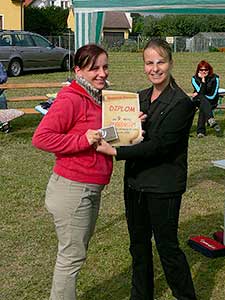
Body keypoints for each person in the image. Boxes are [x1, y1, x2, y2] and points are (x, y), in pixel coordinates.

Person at [96, 38, 197, 300]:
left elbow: (160, 146)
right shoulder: (138, 98)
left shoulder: (181, 103)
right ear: (143, 66)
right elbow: (119, 130)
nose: (155, 68)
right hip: (135, 183)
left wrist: (116, 151)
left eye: (160, 62)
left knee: (167, 248)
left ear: (171, 63)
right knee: (138, 247)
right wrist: (106, 133)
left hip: (163, 185)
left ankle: (186, 296)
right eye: (149, 62)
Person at [32, 44, 113, 300]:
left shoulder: (98, 97)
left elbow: (99, 135)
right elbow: (41, 138)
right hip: (73, 189)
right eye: (94, 68)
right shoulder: (71, 98)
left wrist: (130, 124)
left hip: (88, 187)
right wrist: (82, 140)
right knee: (71, 257)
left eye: (104, 66)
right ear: (78, 70)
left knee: (74, 253)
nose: (102, 73)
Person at [191, 60, 221, 138]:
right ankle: (211, 119)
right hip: (199, 101)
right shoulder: (194, 79)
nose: (203, 71)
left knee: (203, 104)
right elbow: (200, 93)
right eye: (201, 70)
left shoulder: (215, 78)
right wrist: (203, 81)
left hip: (212, 101)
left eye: (206, 69)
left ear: (209, 70)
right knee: (202, 101)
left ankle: (201, 132)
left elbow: (213, 94)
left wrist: (201, 95)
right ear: (198, 70)